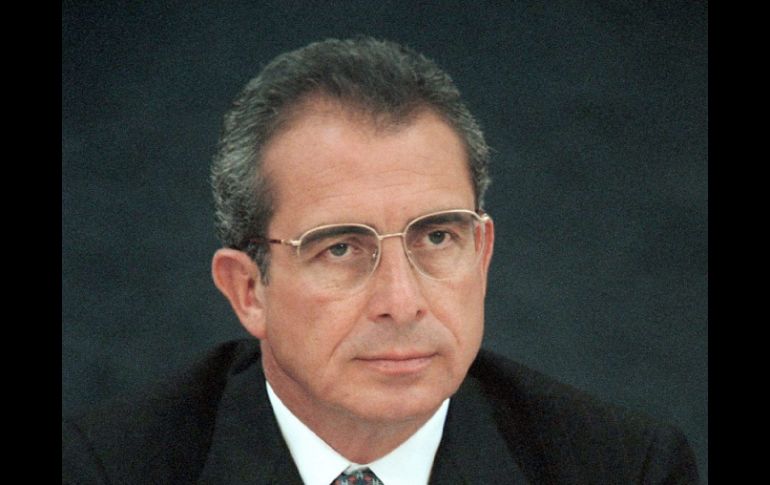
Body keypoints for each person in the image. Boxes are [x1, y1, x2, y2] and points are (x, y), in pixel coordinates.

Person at [62, 36, 699, 484]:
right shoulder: (104, 469)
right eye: (340, 248)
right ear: (248, 289)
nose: (402, 302)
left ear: (482, 255)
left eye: (437, 237)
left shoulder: (625, 468)